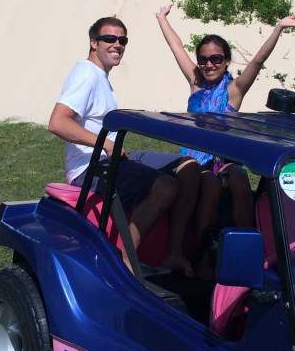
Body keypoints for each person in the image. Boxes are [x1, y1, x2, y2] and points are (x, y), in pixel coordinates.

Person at [156, 4, 295, 278]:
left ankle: (252, 252)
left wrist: (278, 28)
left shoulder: (234, 90)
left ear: (227, 60)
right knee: (209, 183)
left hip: (222, 159)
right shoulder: (196, 84)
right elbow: (176, 47)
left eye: (216, 59)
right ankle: (202, 256)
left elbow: (257, 62)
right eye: (203, 59)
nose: (209, 64)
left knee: (239, 179)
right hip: (195, 158)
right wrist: (161, 18)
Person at [49, 16, 199, 276]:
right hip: (91, 168)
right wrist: (105, 143)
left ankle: (173, 251)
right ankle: (124, 261)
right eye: (110, 39)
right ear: (93, 43)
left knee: (189, 167)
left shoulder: (101, 77)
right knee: (166, 185)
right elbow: (58, 122)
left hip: (114, 157)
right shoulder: (87, 74)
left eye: (122, 40)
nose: (117, 44)